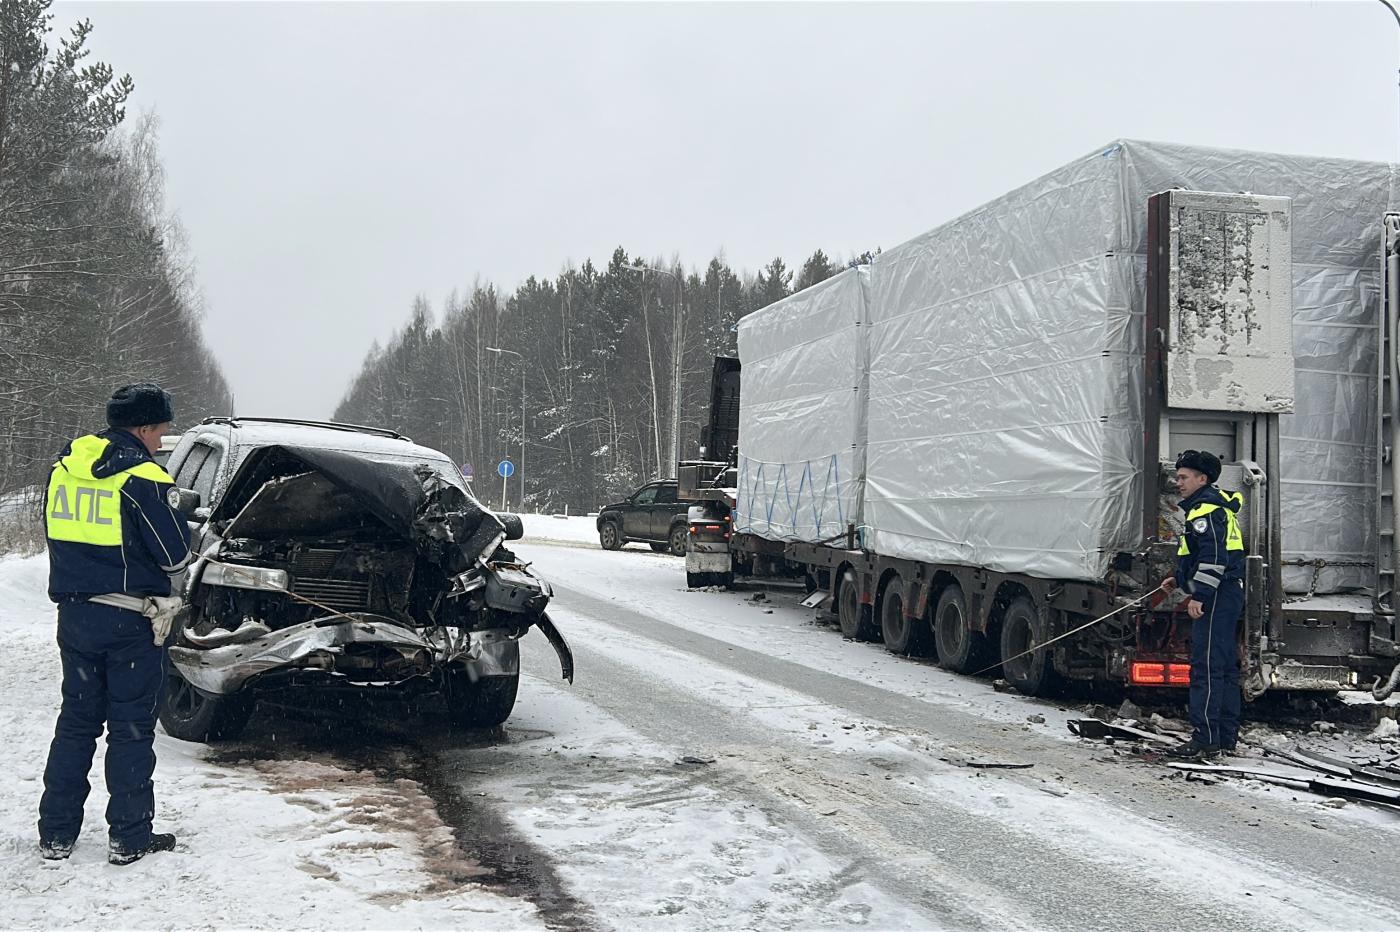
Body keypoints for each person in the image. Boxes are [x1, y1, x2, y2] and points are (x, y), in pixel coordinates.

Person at [38, 383, 193, 865]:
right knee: (129, 730)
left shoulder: (64, 468)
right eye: (161, 431)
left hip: (76, 615)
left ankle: (56, 834)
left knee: (76, 724)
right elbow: (175, 556)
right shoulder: (143, 477)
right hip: (131, 621)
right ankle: (129, 837)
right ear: (144, 427)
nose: (162, 439)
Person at [1159, 449, 1245, 760]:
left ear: (1202, 478)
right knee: (1222, 668)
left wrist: (1200, 596)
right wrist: (1179, 580)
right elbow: (1204, 556)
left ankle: (1205, 739)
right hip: (1226, 592)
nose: (1177, 482)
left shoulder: (1205, 511)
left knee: (1206, 668)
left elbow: (1215, 559)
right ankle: (1224, 737)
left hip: (1218, 595)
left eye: (1183, 477)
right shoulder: (1212, 508)